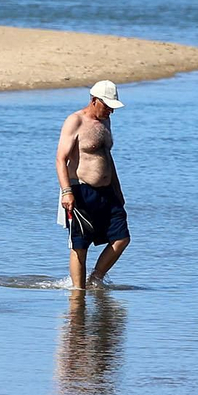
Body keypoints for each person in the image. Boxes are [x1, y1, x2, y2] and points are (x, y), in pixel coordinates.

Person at [56, 80, 129, 288]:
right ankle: (78, 293)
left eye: (112, 107)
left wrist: (118, 189)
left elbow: (107, 157)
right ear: (94, 100)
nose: (110, 112)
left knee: (122, 238)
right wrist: (66, 192)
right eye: (107, 106)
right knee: (80, 245)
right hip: (80, 190)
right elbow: (60, 159)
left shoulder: (105, 121)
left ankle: (95, 279)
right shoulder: (75, 121)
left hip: (107, 191)